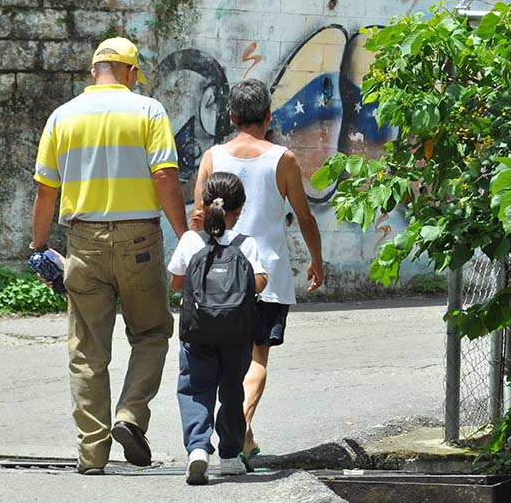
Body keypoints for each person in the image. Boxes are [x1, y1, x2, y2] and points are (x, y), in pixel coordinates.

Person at [30, 37, 188, 475]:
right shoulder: (148, 110)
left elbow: (46, 189)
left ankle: (91, 454)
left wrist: (39, 247)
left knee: (87, 352)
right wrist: (185, 235)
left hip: (83, 243)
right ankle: (130, 416)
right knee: (153, 333)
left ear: (94, 71)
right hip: (140, 242)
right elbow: (165, 176)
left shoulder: (62, 117)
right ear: (131, 73)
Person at [191, 78, 325, 465]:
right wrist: (316, 261)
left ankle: (239, 438)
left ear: (231, 117)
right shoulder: (283, 159)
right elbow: (305, 217)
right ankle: (242, 430)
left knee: (221, 359)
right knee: (257, 359)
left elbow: (199, 217)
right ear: (268, 116)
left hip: (215, 277)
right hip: (266, 275)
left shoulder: (213, 157)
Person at [168, 172, 268, 485]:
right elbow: (260, 282)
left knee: (196, 388)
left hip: (197, 331)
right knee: (231, 390)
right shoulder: (245, 243)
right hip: (236, 333)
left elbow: (176, 283)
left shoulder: (190, 240)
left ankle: (198, 449)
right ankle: (229, 455)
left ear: (205, 204)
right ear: (238, 211)